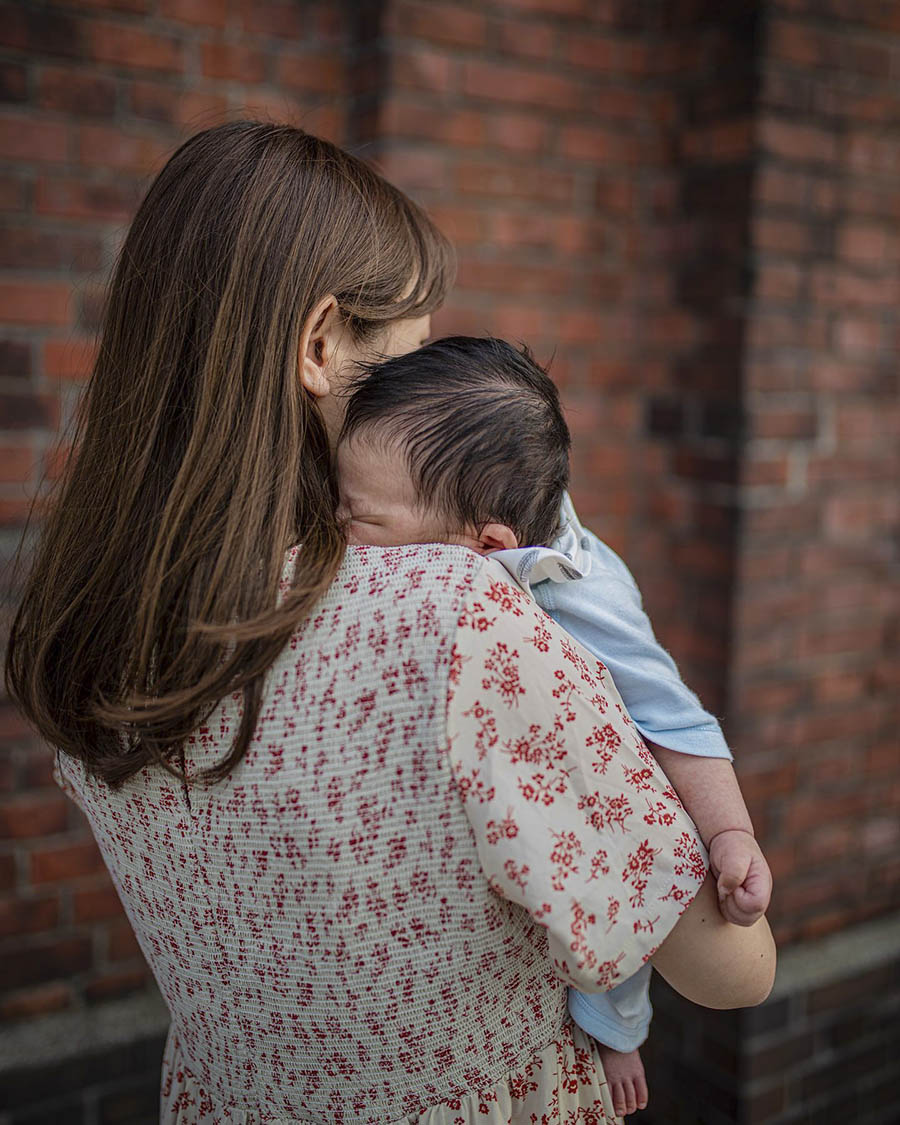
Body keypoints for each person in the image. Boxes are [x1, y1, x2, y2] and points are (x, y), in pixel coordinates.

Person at [5, 122, 774, 1125]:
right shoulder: (455, 617)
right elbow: (732, 969)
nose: (421, 389)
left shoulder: (97, 632)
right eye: (404, 357)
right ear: (321, 345)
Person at [336, 335, 774, 1117]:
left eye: (358, 519)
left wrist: (730, 834)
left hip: (621, 789)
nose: (340, 536)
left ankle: (618, 1032)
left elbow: (673, 718)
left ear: (489, 547)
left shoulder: (588, 602)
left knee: (618, 923)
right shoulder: (453, 518)